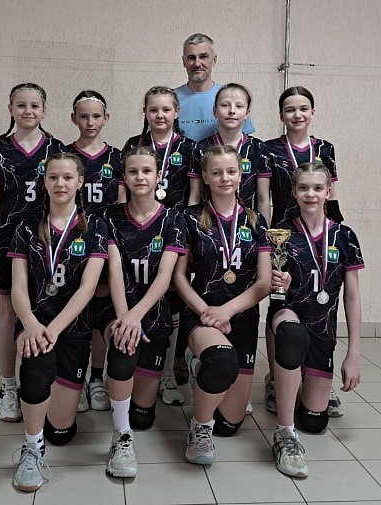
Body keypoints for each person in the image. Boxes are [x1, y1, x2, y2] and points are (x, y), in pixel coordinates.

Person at [7, 152, 108, 492]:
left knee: (61, 432)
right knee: (36, 366)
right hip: (35, 322)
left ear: (80, 182)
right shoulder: (26, 227)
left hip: (72, 328)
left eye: (67, 177)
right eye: (53, 177)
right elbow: (18, 287)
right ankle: (32, 447)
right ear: (45, 182)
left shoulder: (95, 228)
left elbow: (88, 288)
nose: (60, 183)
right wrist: (31, 324)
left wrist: (53, 329)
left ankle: (46, 416)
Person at [172, 145, 275, 465]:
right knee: (221, 361)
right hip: (201, 314)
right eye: (216, 172)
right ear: (205, 177)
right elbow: (179, 277)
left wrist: (227, 311)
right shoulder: (189, 219)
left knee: (229, 425)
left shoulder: (257, 222)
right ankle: (199, 427)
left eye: (231, 171)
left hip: (241, 318)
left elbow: (263, 283)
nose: (224, 178)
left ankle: (201, 370)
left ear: (241, 175)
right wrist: (207, 312)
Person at [268, 162, 363, 479]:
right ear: (294, 192)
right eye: (304, 188)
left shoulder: (345, 236)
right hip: (289, 313)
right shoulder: (282, 233)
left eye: (318, 188)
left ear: (328, 192)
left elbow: (352, 297)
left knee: (314, 420)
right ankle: (284, 432)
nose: (311, 194)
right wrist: (279, 281)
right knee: (291, 337)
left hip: (322, 328)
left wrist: (353, 354)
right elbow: (272, 289)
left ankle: (294, 382)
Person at [102, 146, 187, 478]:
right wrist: (125, 318)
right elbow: (114, 271)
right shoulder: (109, 216)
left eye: (147, 171)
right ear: (124, 177)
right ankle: (120, 435)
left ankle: (128, 409)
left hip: (154, 313)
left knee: (143, 417)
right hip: (117, 308)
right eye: (133, 171)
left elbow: (165, 277)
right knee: (123, 349)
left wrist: (136, 317)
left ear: (158, 176)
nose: (140, 177)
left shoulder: (173, 218)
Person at [0, 83, 65, 423]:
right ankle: (8, 385)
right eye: (21, 105)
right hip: (7, 244)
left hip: (47, 245)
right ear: (10, 109)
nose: (28, 111)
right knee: (8, 313)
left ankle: (53, 382)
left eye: (34, 105)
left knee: (48, 310)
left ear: (44, 111)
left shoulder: (57, 149)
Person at [264, 86, 344, 417]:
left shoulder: (325, 148)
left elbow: (332, 193)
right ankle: (275, 378)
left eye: (303, 108)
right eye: (290, 109)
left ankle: (317, 373)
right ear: (281, 115)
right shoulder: (269, 149)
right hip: (284, 237)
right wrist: (266, 236)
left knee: (321, 302)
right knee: (280, 303)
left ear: (312, 113)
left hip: (318, 234)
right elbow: (263, 197)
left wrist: (334, 232)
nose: (297, 114)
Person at [122, 86, 197, 404]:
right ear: (145, 112)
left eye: (166, 109)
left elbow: (194, 196)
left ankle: (167, 374)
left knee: (172, 301)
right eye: (153, 110)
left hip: (174, 235)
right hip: (138, 234)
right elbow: (123, 194)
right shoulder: (133, 145)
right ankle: (129, 369)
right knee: (136, 295)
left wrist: (187, 235)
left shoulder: (190, 147)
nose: (160, 115)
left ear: (177, 112)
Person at [67, 90, 123, 413]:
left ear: (106, 119)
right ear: (74, 119)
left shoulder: (117, 158)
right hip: (71, 246)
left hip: (104, 244)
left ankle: (97, 377)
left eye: (96, 116)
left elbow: (123, 206)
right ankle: (73, 375)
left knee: (101, 308)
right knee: (75, 309)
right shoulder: (63, 154)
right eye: (84, 116)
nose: (90, 122)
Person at [189, 83, 273, 233]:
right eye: (225, 105)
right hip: (209, 228)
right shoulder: (201, 148)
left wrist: (264, 234)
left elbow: (263, 198)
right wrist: (192, 231)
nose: (232, 111)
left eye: (239, 106)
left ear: (247, 113)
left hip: (248, 227)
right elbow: (195, 196)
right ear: (215, 111)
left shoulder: (258, 148)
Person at [175, 33, 255, 142]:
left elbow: (243, 143)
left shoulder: (230, 97)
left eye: (203, 57)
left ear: (214, 60)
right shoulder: (171, 99)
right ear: (184, 62)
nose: (197, 63)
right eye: (191, 58)